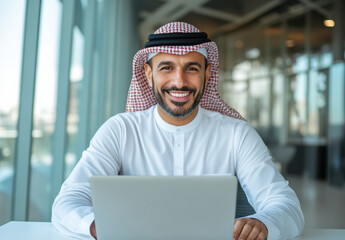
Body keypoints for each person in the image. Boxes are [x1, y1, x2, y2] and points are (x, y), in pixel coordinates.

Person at [52, 22, 304, 240]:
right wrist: (105, 228)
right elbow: (67, 202)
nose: (179, 81)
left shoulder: (236, 134)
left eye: (192, 68)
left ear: (207, 73)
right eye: (167, 67)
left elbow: (286, 205)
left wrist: (262, 224)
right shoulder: (120, 130)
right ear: (148, 74)